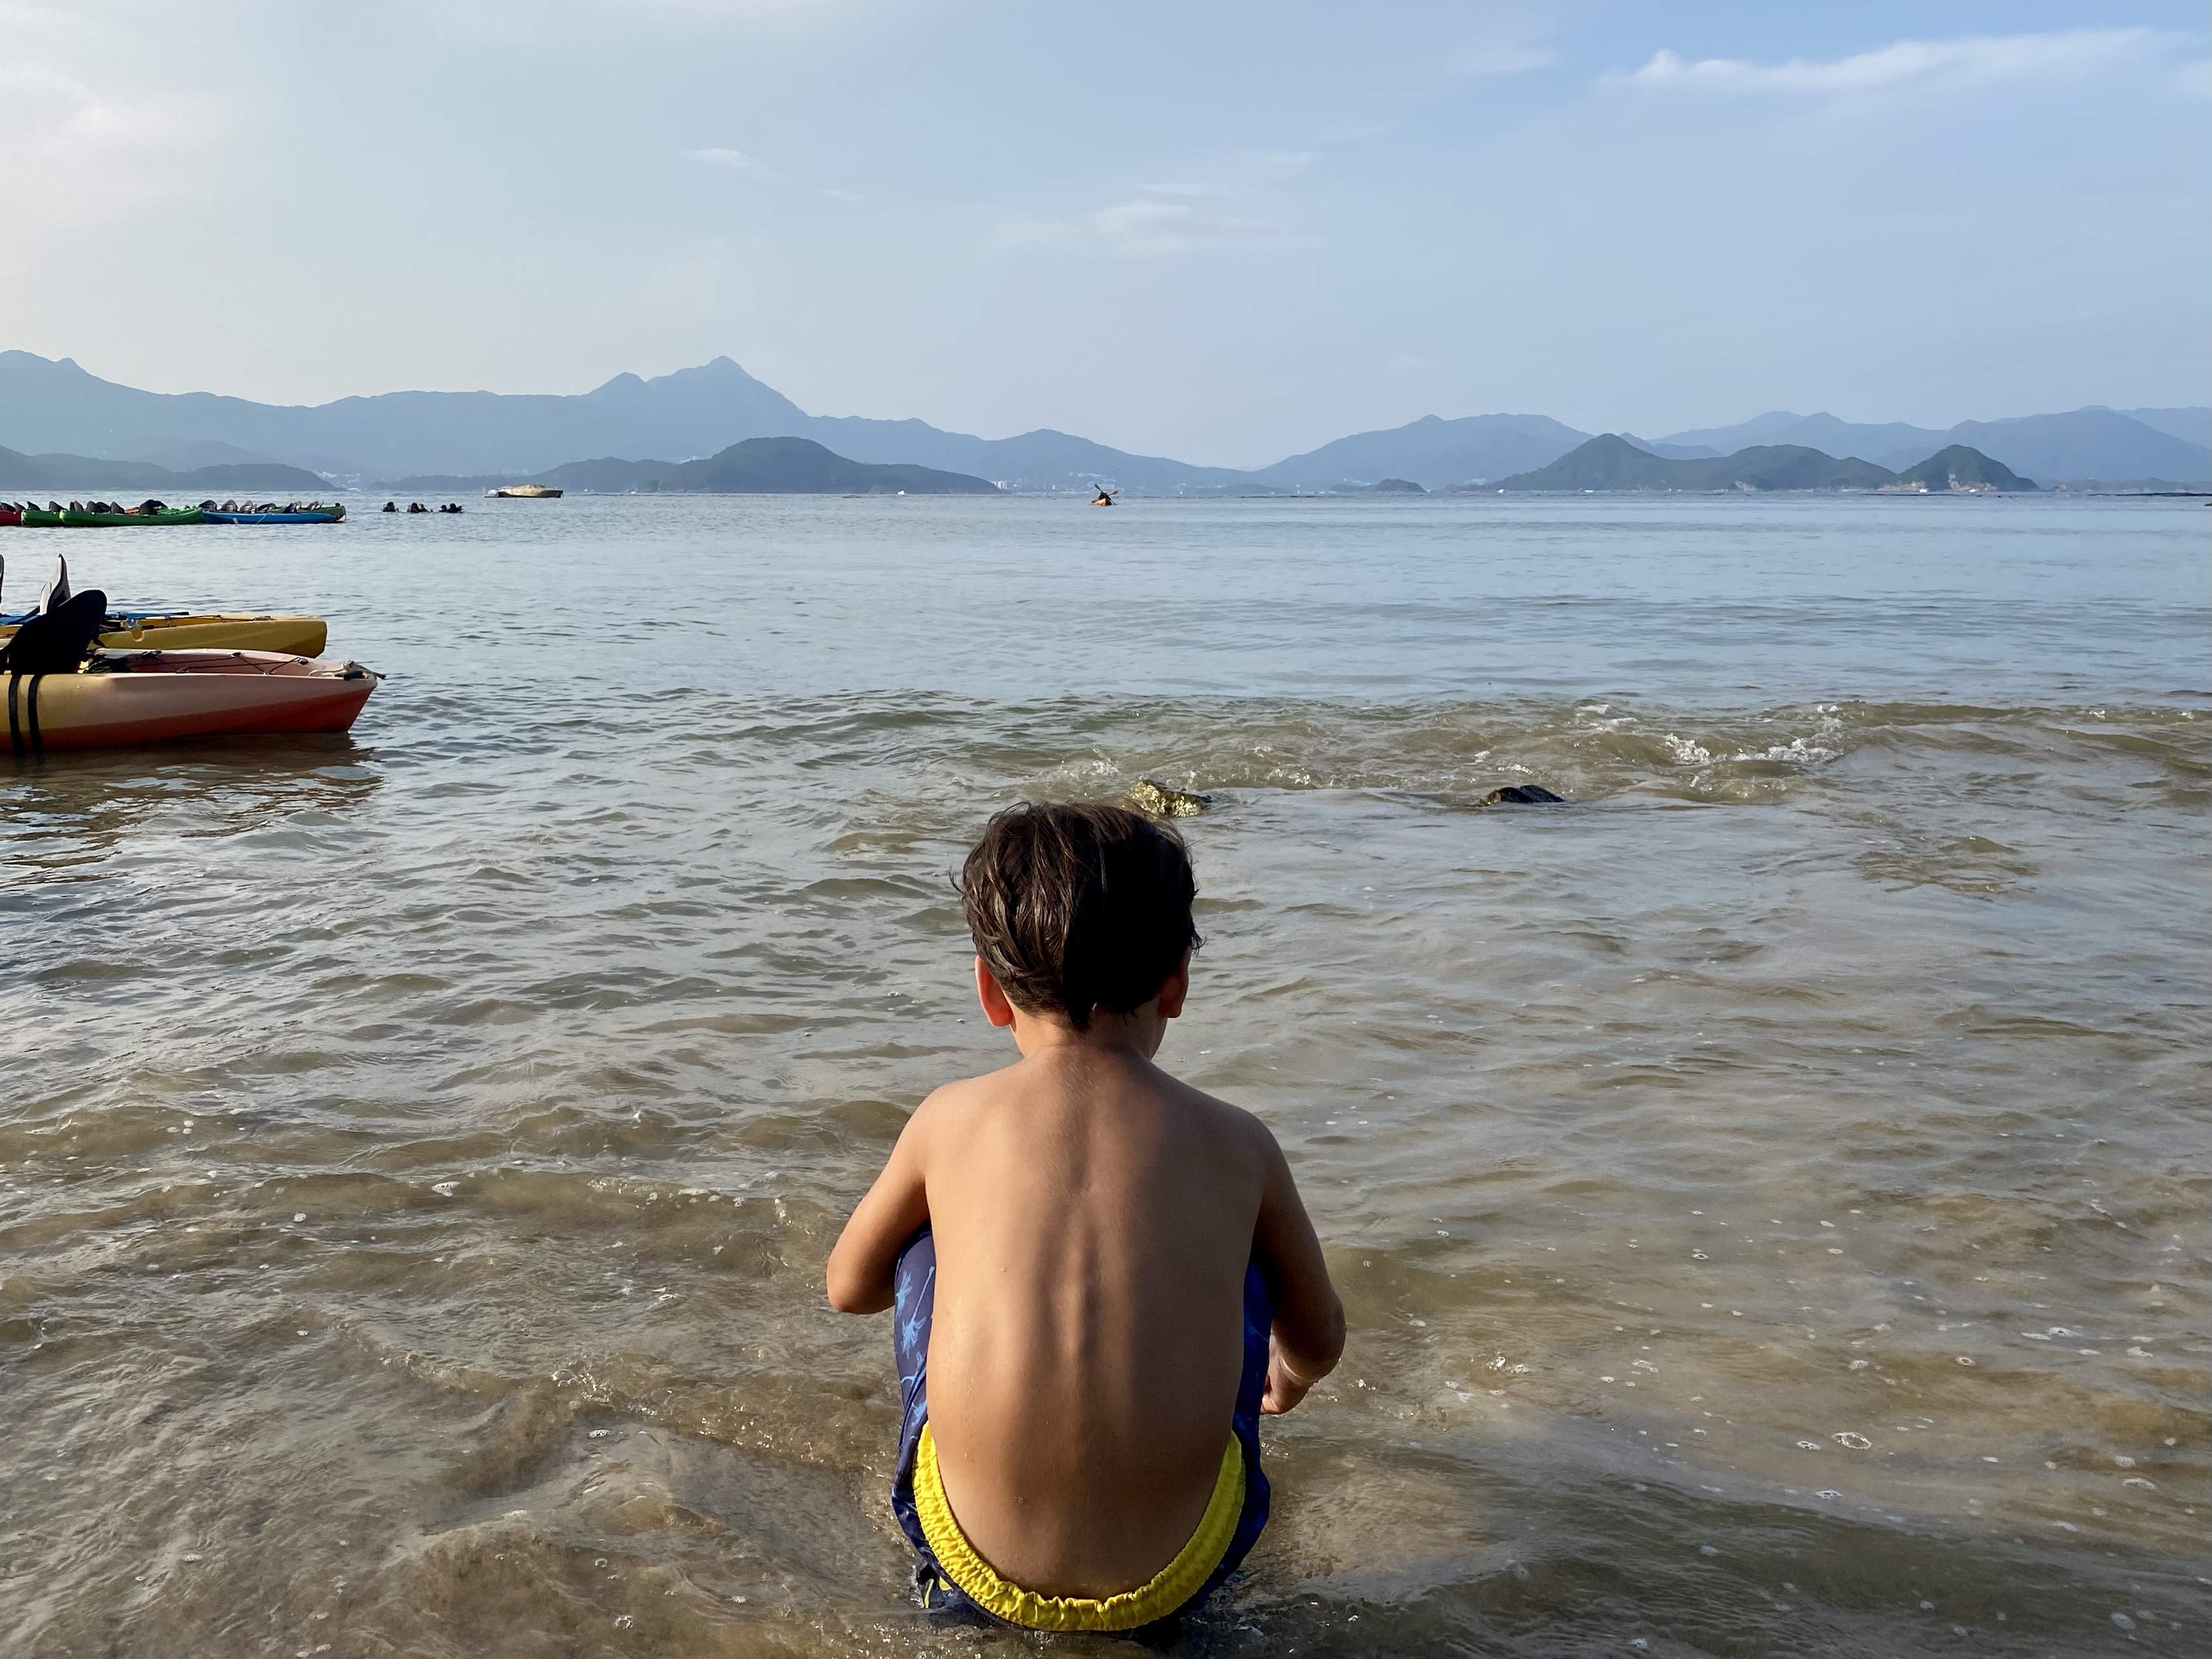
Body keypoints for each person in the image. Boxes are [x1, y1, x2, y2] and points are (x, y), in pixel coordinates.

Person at [827, 802, 1344, 1633]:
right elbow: (1319, 1336)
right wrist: (1282, 1377)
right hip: (1179, 1570)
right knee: (1243, 1263)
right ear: (1176, 981)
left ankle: (947, 1599)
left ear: (989, 991)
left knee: (922, 1245)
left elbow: (849, 1286)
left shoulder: (948, 1118)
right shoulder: (1238, 1141)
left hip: (975, 1562)